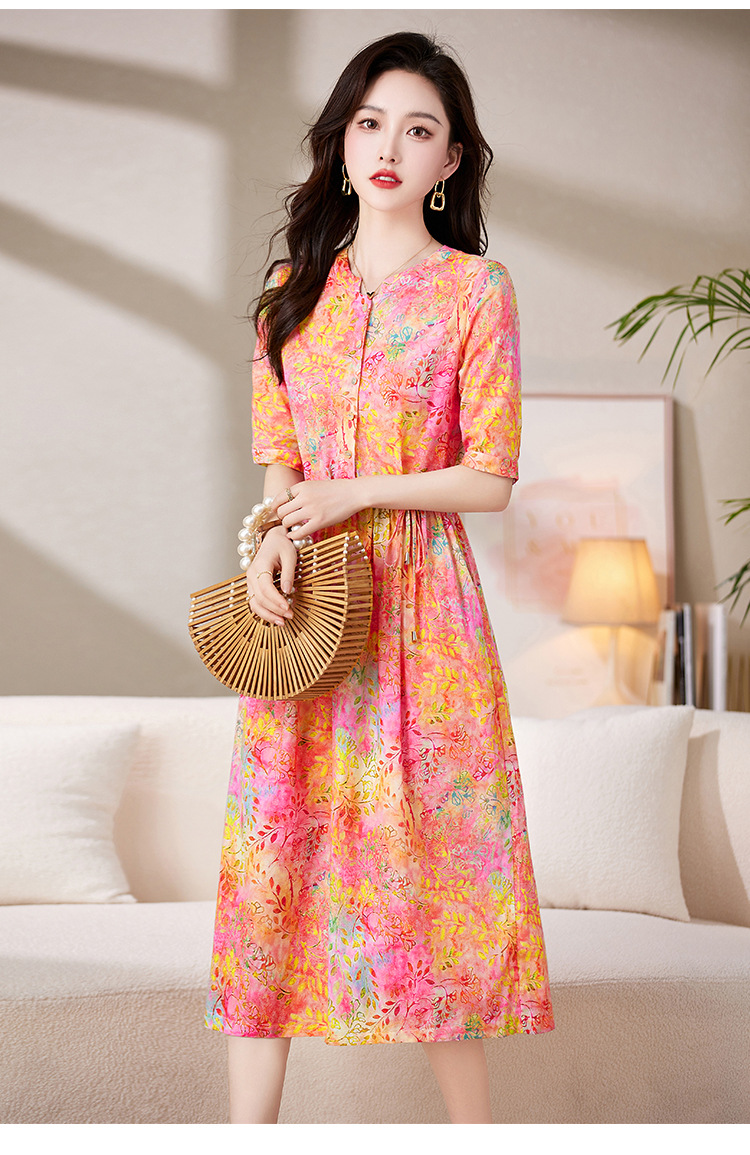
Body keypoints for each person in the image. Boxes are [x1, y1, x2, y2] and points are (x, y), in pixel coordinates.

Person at [203, 29, 555, 1125]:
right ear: (342, 140)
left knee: (434, 874)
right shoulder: (290, 288)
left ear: (451, 160)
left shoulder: (476, 291)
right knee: (272, 867)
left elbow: (490, 477)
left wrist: (354, 493)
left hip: (424, 617)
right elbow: (280, 457)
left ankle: (475, 1139)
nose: (389, 147)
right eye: (370, 123)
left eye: (418, 129)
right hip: (308, 608)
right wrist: (271, 536)